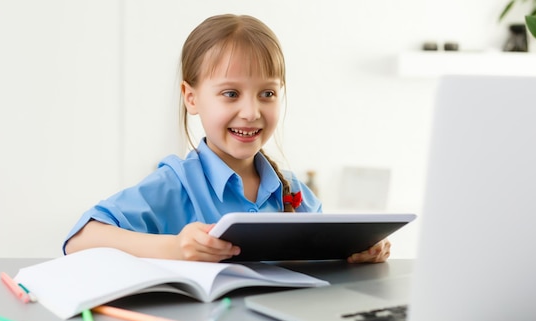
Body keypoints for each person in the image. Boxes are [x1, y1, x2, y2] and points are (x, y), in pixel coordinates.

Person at [64, 14, 391, 263]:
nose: (251, 112)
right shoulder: (175, 184)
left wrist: (356, 256)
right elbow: (79, 241)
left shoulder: (296, 195)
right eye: (231, 93)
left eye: (267, 93)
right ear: (191, 98)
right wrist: (175, 246)